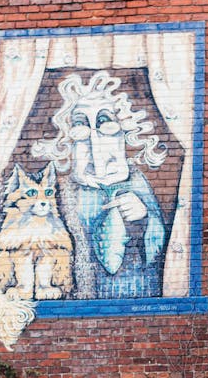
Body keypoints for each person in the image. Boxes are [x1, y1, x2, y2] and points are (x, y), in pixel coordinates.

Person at [32, 70, 170, 300]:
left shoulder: (136, 181)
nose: (94, 140)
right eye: (81, 126)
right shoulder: (64, 190)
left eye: (105, 123)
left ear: (125, 133)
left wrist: (145, 216)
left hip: (138, 288)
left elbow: (157, 240)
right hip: (86, 293)